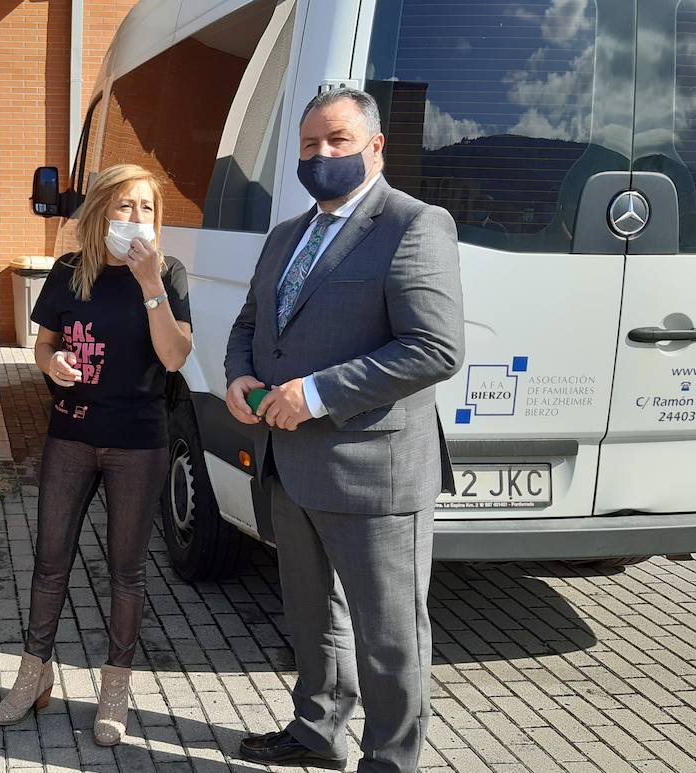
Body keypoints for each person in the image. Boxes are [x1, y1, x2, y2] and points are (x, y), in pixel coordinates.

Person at [223, 87, 464, 773]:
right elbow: (250, 325)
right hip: (290, 466)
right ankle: (317, 728)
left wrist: (319, 394)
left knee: (389, 639)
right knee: (312, 618)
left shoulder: (414, 225)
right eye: (309, 144)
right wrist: (239, 376)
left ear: (376, 147)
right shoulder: (284, 237)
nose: (321, 155)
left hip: (374, 473)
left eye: (337, 141)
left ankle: (389, 761)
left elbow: (434, 348)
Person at [0, 164, 193, 745]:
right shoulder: (69, 272)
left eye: (147, 209)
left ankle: (115, 688)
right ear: (101, 211)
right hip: (71, 433)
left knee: (126, 570)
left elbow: (175, 356)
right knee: (50, 560)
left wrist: (150, 283)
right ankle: (33, 675)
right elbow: (44, 343)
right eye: (125, 207)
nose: (136, 219)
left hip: (138, 441)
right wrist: (49, 364)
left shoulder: (169, 274)